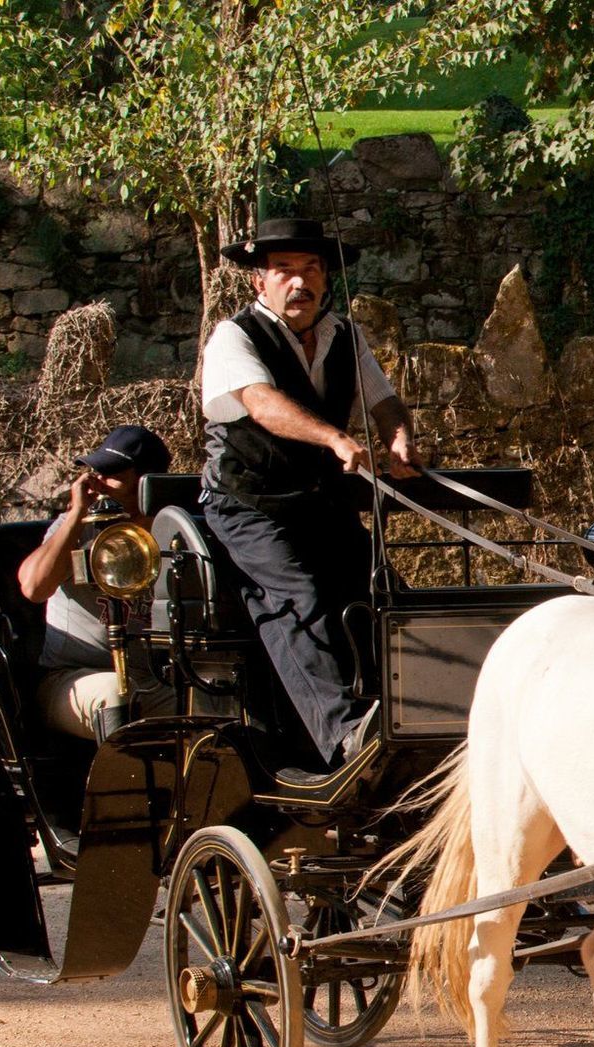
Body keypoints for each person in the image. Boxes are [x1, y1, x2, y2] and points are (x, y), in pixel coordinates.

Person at [197, 217, 419, 772]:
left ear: (326, 279)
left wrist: (400, 439)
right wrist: (333, 437)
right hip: (247, 505)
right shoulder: (234, 337)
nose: (300, 283)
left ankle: (415, 719)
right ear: (260, 283)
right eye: (284, 272)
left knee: (385, 592)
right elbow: (262, 403)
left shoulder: (344, 334)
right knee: (297, 600)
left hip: (317, 500)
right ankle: (346, 740)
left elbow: (385, 401)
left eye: (311, 270)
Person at [15, 425, 175, 743]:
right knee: (115, 695)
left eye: (112, 473)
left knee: (213, 706)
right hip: (72, 676)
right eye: (95, 470)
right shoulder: (77, 528)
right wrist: (77, 514)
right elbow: (34, 588)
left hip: (149, 678)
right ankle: (130, 789)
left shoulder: (169, 531)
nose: (97, 481)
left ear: (147, 483)